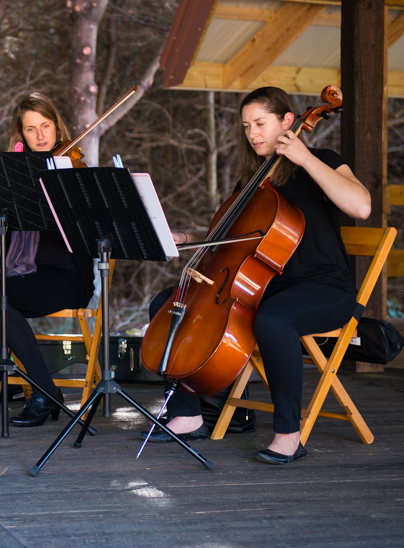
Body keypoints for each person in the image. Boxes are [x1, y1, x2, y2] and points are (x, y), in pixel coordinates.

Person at [147, 86, 371, 464]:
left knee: (275, 318)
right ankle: (187, 414)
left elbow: (361, 206)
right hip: (266, 287)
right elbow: (229, 236)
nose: (252, 133)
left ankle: (288, 434)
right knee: (168, 303)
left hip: (324, 288)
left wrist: (305, 159)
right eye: (247, 125)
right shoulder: (253, 183)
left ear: (287, 122)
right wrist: (185, 237)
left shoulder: (324, 160)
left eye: (261, 123)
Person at [0, 92, 95, 426]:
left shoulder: (73, 167)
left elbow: (89, 228)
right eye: (31, 129)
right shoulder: (12, 174)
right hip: (24, 273)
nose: (41, 135)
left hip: (68, 275)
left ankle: (45, 392)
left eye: (45, 125)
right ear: (21, 135)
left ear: (56, 124)